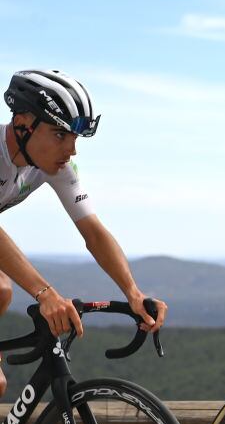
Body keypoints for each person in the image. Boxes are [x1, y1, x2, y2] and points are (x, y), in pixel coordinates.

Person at [0, 69, 167, 396]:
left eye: (75, 138)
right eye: (60, 135)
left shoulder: (57, 167)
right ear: (22, 124)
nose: (71, 150)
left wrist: (133, 293)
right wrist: (45, 294)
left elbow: (93, 232)